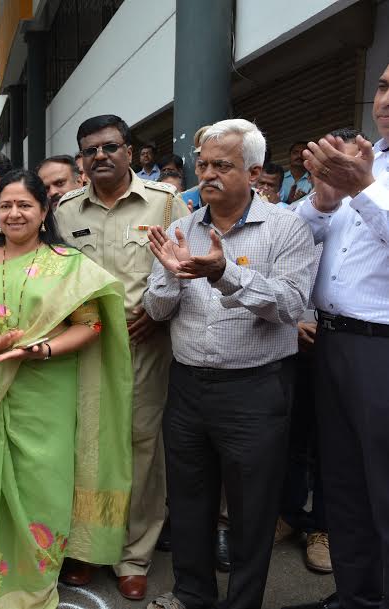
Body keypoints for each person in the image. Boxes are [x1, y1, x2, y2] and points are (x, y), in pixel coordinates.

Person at [144, 118, 316, 609]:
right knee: (191, 501)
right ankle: (192, 594)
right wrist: (170, 278)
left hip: (255, 389)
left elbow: (290, 306)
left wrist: (225, 275)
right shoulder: (181, 228)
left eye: (223, 165)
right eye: (203, 164)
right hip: (188, 387)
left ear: (255, 171)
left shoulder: (287, 227)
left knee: (252, 509)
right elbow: (156, 313)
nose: (209, 174)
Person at [0, 169, 132, 609]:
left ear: (44, 211)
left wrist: (41, 350)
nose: (14, 213)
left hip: (48, 391)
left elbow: (91, 325)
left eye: (24, 204)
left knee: (43, 485)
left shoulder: (68, 264)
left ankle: (36, 583)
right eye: (5, 205)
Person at [55, 114, 190, 600]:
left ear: (130, 152)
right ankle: (90, 549)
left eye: (110, 147)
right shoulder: (65, 211)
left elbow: (185, 271)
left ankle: (134, 555)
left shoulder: (166, 204)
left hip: (144, 345)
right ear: (81, 159)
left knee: (141, 448)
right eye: (90, 150)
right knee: (85, 448)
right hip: (85, 348)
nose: (100, 157)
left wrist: (159, 317)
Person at [294, 62, 389, 609]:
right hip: (330, 344)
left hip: (381, 352)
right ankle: (356, 598)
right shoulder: (363, 163)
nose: (385, 97)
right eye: (380, 85)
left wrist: (366, 189)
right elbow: (299, 236)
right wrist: (326, 199)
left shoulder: (368, 175)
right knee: (345, 487)